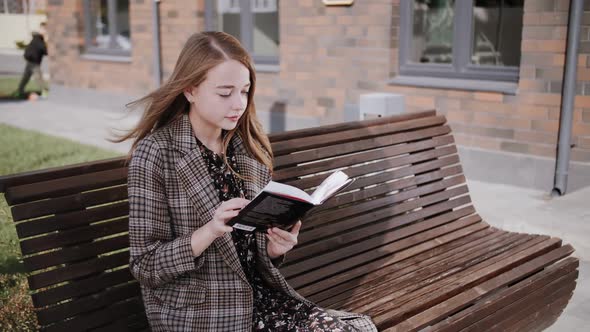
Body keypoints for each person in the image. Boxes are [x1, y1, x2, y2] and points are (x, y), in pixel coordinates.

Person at [121, 31, 378, 331]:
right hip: (203, 312)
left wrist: (273, 250)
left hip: (260, 299)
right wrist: (208, 232)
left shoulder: (246, 147)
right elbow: (145, 265)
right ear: (190, 90)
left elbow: (248, 251)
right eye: (225, 92)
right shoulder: (156, 154)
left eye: (244, 91)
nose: (238, 104)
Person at [16, 26, 49, 99]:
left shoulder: (34, 40)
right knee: (39, 78)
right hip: (35, 63)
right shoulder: (40, 42)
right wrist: (46, 42)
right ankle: (44, 92)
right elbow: (46, 52)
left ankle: (19, 91)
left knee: (25, 78)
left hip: (29, 62)